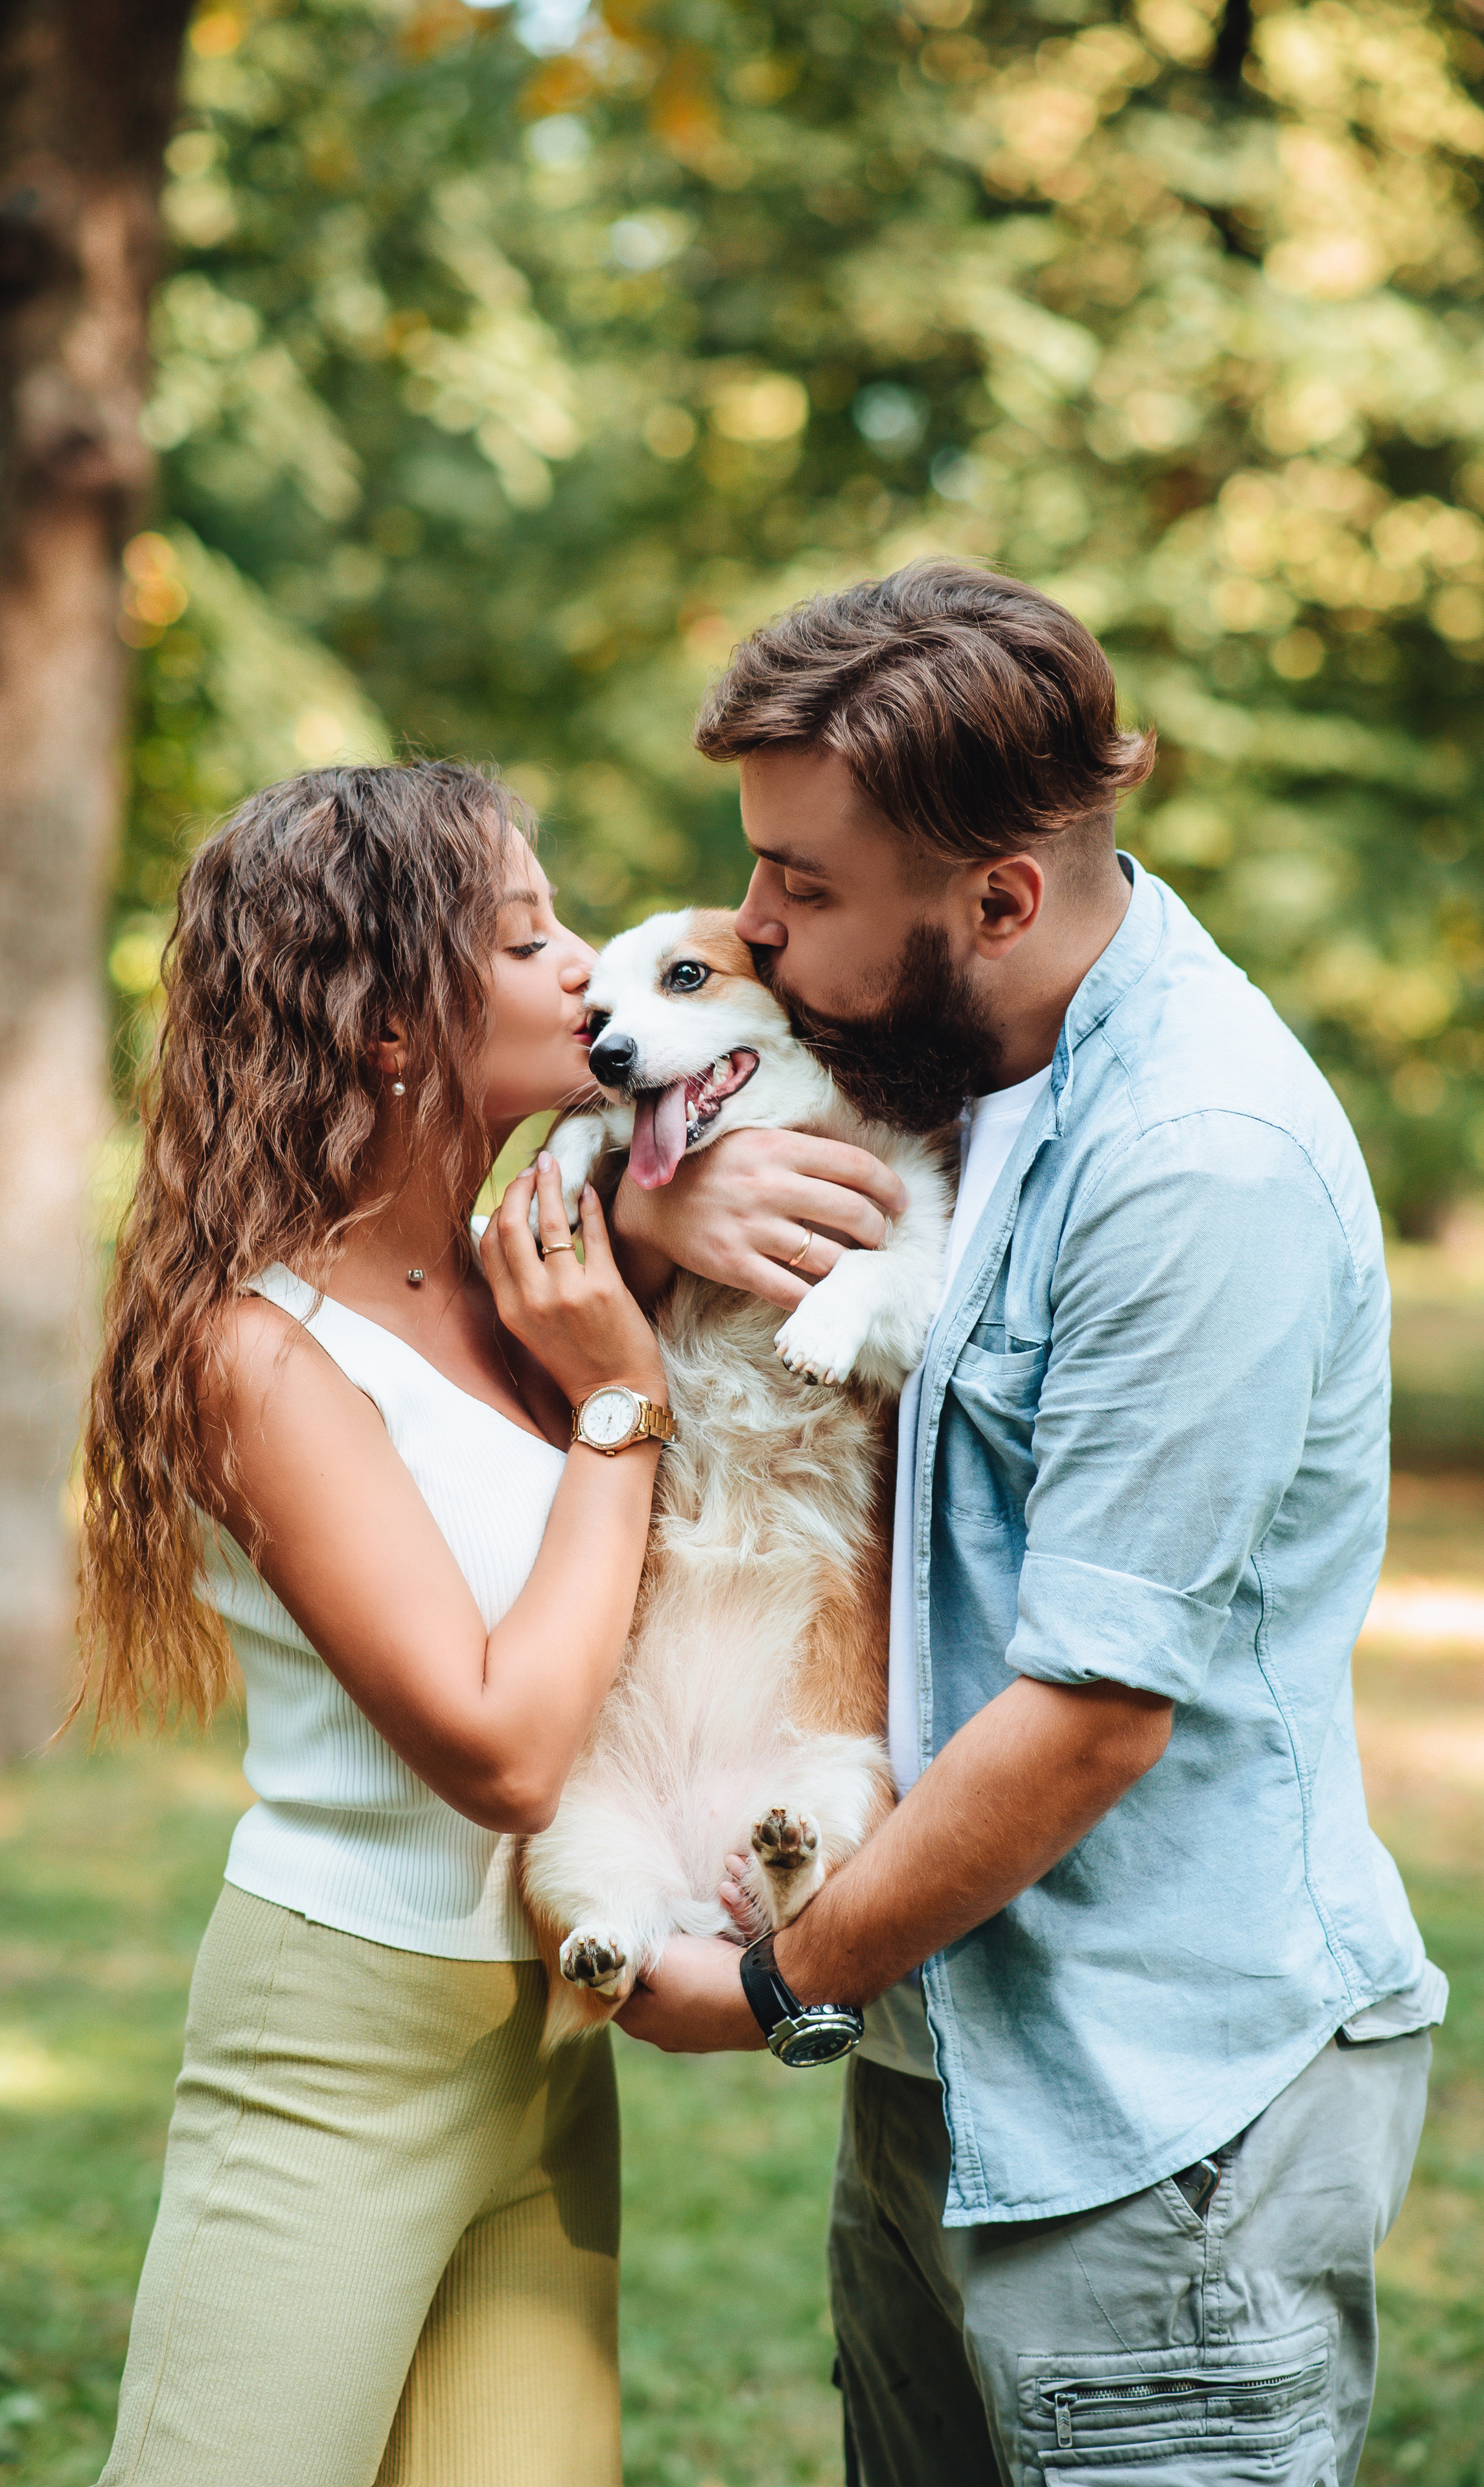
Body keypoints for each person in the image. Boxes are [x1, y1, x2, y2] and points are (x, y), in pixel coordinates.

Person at [612, 563, 1446, 2487]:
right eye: (761, 868)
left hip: (1157, 2112)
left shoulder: (1192, 1163)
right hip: (950, 2048)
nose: (751, 926)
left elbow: (1094, 1716)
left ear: (998, 899)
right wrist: (662, 1217)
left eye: (801, 889)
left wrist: (772, 1990)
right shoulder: (957, 1064)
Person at [77, 761, 670, 2487]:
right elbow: (499, 1743)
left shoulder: (529, 1277)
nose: (585, 963)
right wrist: (621, 1410)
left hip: (548, 2035)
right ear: (392, 1025)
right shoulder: (256, 1353)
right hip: (341, 2031)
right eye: (525, 937)